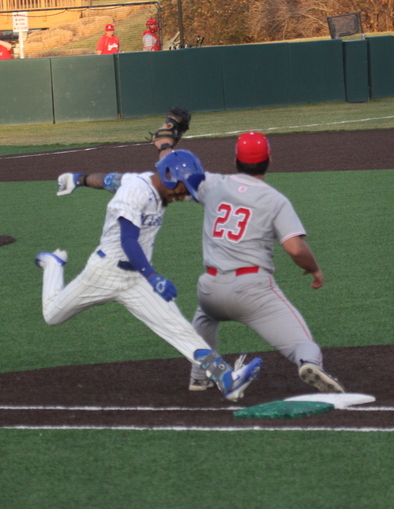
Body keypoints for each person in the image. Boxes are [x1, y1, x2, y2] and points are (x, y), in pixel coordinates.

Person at [57, 114, 345, 395]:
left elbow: (170, 172)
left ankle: (199, 377)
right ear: (269, 160)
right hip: (253, 291)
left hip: (211, 290)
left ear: (235, 160)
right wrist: (315, 269)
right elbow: (295, 248)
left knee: (204, 318)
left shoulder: (214, 184)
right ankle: (310, 362)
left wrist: (166, 141)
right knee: (301, 342)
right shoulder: (275, 200)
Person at [37, 150, 263, 401]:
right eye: (183, 187)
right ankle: (53, 265)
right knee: (52, 316)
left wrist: (78, 178)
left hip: (137, 281)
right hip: (103, 272)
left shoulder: (153, 184)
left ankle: (226, 378)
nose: (185, 194)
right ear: (168, 177)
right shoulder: (136, 192)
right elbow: (128, 241)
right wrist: (154, 276)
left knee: (179, 329)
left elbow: (108, 180)